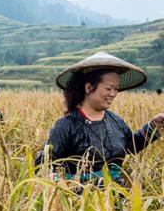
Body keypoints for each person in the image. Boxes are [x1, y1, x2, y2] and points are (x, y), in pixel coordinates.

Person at [36, 52, 164, 186]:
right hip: (81, 199)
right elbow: (43, 165)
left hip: (117, 195)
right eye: (109, 88)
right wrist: (59, 183)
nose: (113, 94)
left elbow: (130, 146)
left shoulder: (115, 120)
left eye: (116, 89)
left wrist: (153, 126)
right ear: (88, 88)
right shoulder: (67, 125)